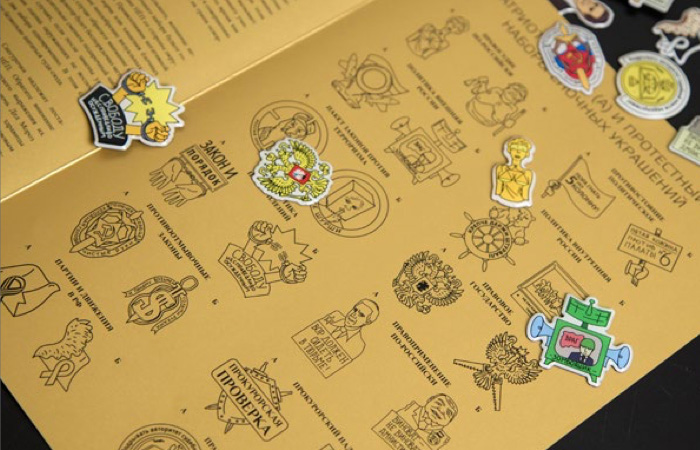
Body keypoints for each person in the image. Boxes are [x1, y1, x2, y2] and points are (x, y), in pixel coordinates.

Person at [492, 137, 535, 207]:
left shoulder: (528, 173)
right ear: (509, 150)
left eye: (522, 150)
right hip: (502, 198)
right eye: (514, 148)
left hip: (520, 201)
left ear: (526, 154)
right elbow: (497, 190)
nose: (518, 152)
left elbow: (526, 195)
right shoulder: (501, 169)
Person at [549, 0, 614, 29]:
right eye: (596, 4)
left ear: (584, 16)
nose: (589, 3)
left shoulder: (559, 7)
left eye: (591, 9)